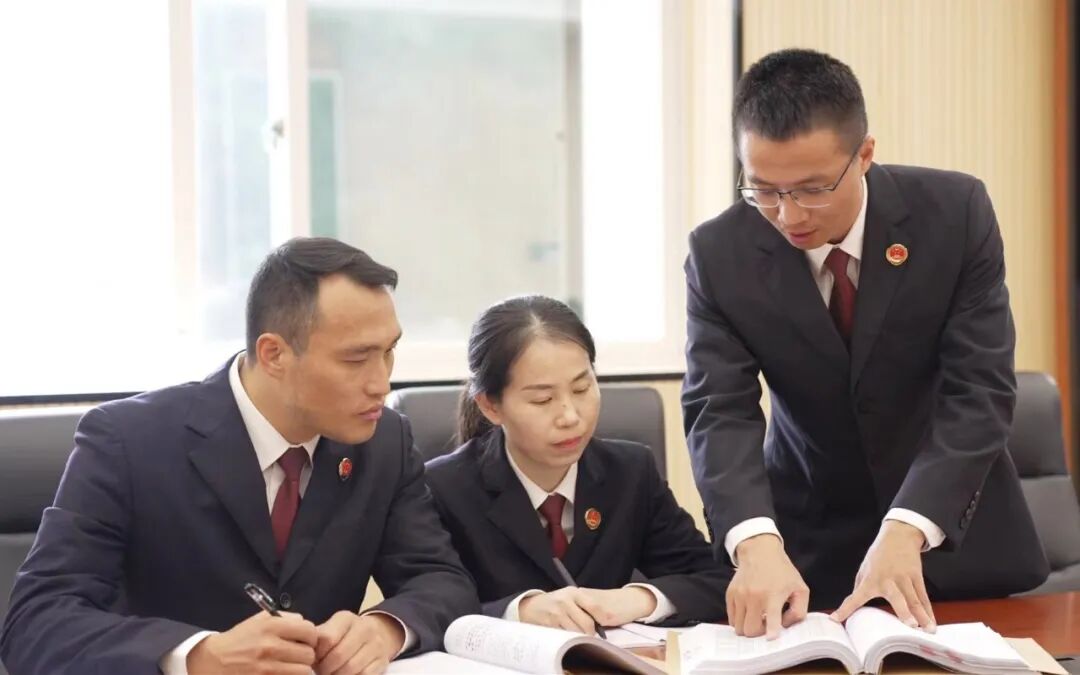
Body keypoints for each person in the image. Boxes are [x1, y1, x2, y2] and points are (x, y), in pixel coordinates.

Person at [682, 48, 1048, 640]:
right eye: (764, 190)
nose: (788, 216)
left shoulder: (953, 215)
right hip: (806, 555)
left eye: (812, 189)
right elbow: (718, 410)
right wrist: (753, 541)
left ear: (865, 155)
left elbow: (978, 391)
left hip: (954, 549)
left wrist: (907, 527)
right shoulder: (719, 254)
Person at [0, 237, 479, 675]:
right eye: (356, 359)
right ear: (273, 354)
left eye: (389, 351)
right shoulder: (128, 440)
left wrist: (384, 628)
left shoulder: (384, 441)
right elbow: (35, 622)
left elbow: (441, 580)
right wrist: (197, 655)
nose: (381, 383)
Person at [425, 295, 729, 633]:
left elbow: (715, 580)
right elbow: (425, 607)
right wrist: (518, 612)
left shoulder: (630, 472)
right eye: (543, 399)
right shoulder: (443, 488)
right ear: (490, 406)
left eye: (582, 388)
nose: (570, 416)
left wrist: (638, 598)